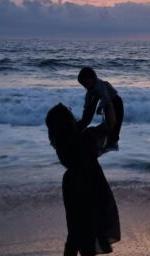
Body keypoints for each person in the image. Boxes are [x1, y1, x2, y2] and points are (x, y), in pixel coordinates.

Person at [46, 102, 121, 256]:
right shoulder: (87, 138)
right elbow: (110, 124)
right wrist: (106, 101)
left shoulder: (61, 143)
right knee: (89, 235)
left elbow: (79, 128)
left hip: (72, 185)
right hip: (91, 183)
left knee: (74, 233)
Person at [77, 67, 124, 153]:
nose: (85, 86)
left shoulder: (99, 85)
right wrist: (86, 107)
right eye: (83, 85)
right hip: (107, 102)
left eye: (85, 83)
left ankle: (113, 142)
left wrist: (99, 107)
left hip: (116, 101)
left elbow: (105, 97)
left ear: (92, 79)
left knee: (117, 123)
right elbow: (88, 97)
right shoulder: (91, 88)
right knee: (107, 121)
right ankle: (108, 140)